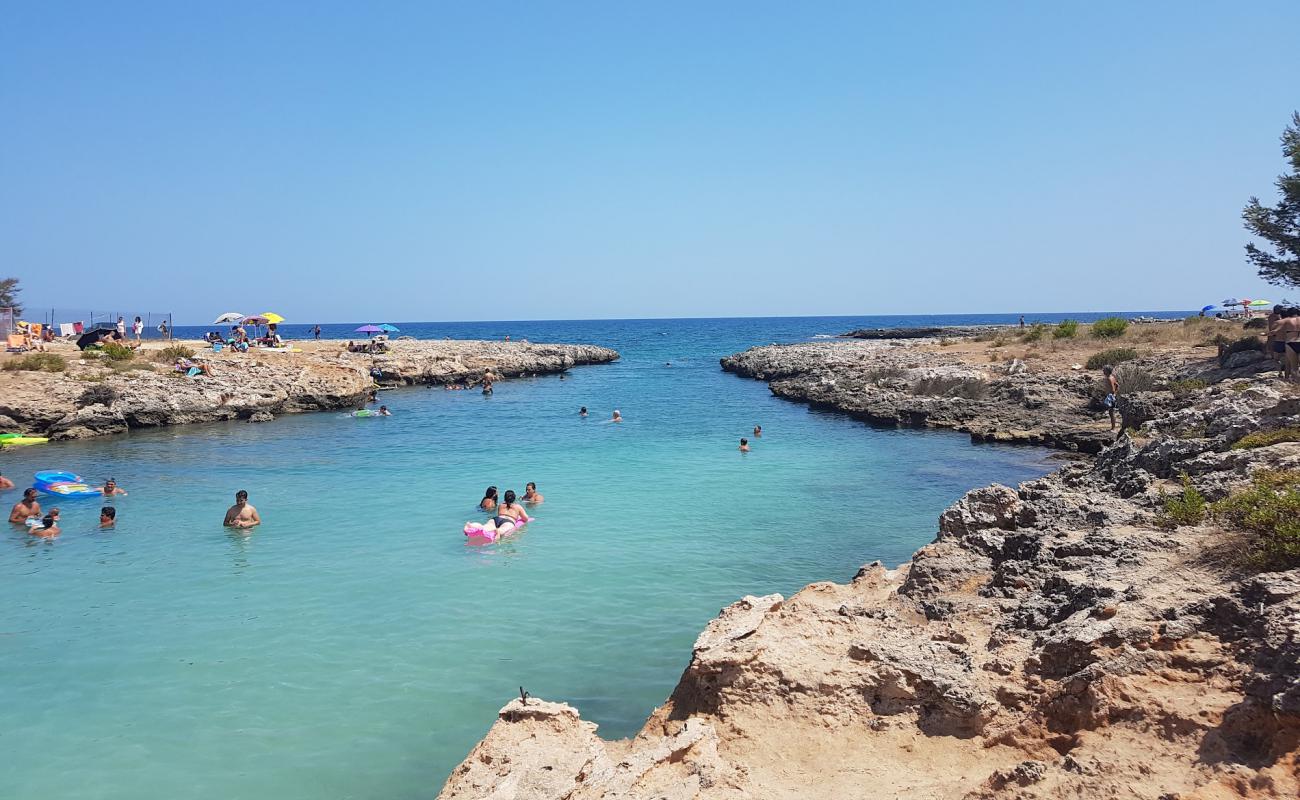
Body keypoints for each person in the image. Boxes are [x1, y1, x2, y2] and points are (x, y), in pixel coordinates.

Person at [1267, 305, 1286, 376]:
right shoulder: (1276, 317)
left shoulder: (1273, 316)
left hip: (1276, 337)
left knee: (1276, 356)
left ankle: (1281, 371)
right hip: (1276, 337)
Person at [1101, 365, 1120, 430]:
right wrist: (1115, 394)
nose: (1103, 371)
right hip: (1112, 396)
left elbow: (1112, 389)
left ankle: (1113, 428)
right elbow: (1117, 385)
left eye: (1104, 370)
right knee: (1111, 412)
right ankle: (1113, 427)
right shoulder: (1112, 377)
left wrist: (1110, 395)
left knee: (1111, 413)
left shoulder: (1109, 378)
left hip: (1110, 397)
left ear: (1107, 371)